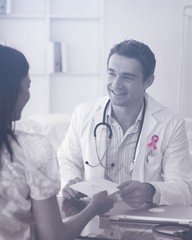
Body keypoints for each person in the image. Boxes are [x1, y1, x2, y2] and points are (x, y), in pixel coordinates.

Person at [58, 39, 192, 208]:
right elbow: (68, 160)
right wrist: (70, 182)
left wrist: (150, 191)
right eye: (112, 74)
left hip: (142, 219)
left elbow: (184, 188)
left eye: (127, 77)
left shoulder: (171, 123)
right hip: (92, 213)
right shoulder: (83, 113)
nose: (116, 84)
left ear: (148, 81)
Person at [0, 45, 114, 240]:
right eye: (27, 85)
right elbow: (54, 236)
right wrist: (94, 207)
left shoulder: (170, 123)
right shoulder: (31, 150)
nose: (28, 94)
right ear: (11, 90)